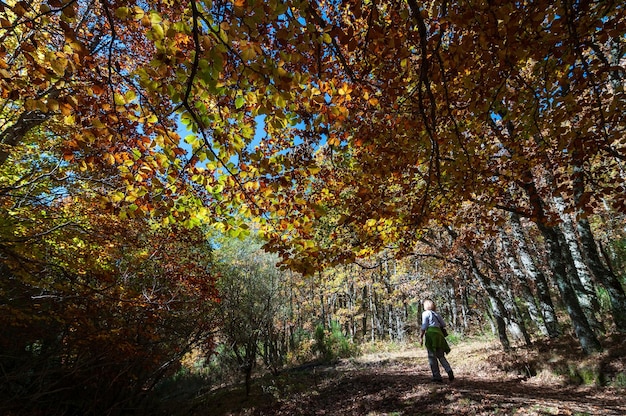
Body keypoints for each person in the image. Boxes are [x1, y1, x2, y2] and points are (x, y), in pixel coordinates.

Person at [419, 299, 454, 383]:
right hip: (439, 335)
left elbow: (424, 326)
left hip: (431, 335)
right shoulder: (436, 314)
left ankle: (437, 376)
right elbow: (443, 324)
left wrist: (421, 337)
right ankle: (449, 370)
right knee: (441, 356)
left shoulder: (425, 313)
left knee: (432, 357)